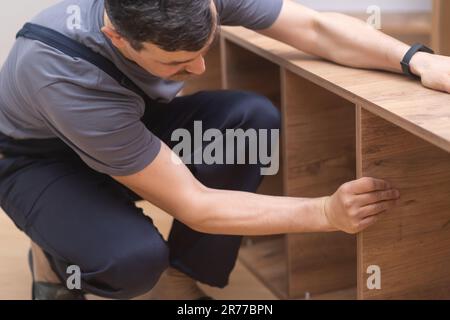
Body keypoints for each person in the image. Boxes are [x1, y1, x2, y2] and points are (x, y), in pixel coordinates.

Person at [0, 0, 448, 300]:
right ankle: (55, 255)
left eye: (203, 47)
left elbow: (313, 27)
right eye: (176, 62)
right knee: (132, 261)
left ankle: (180, 277)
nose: (199, 68)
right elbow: (196, 204)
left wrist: (416, 60)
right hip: (39, 159)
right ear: (117, 37)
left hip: (126, 123)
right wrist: (326, 214)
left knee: (248, 118)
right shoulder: (61, 72)